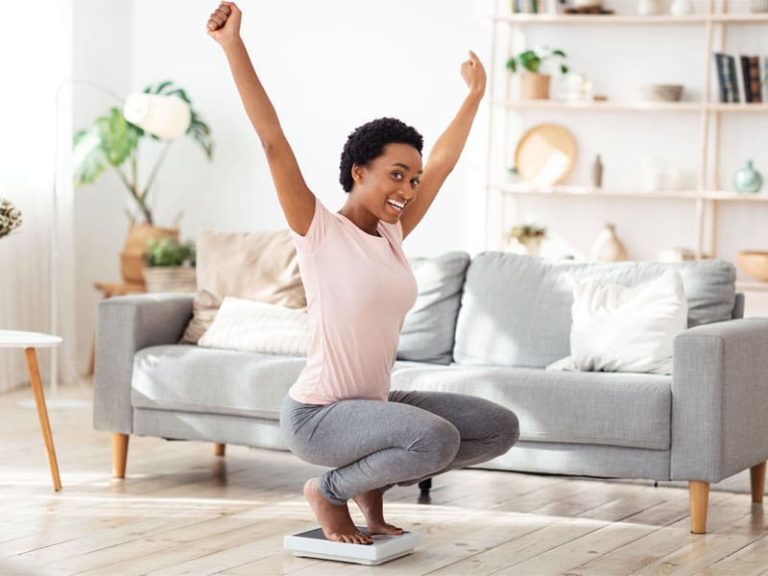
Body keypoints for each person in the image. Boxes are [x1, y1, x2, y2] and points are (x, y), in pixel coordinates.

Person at [207, 2, 520, 546]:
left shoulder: (392, 234)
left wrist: (473, 97)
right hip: (318, 416)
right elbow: (272, 140)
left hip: (372, 407)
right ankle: (330, 491)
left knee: (499, 427)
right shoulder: (319, 230)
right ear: (359, 171)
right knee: (436, 440)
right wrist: (234, 46)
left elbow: (443, 162)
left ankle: (368, 492)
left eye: (413, 180)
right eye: (396, 174)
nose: (407, 188)